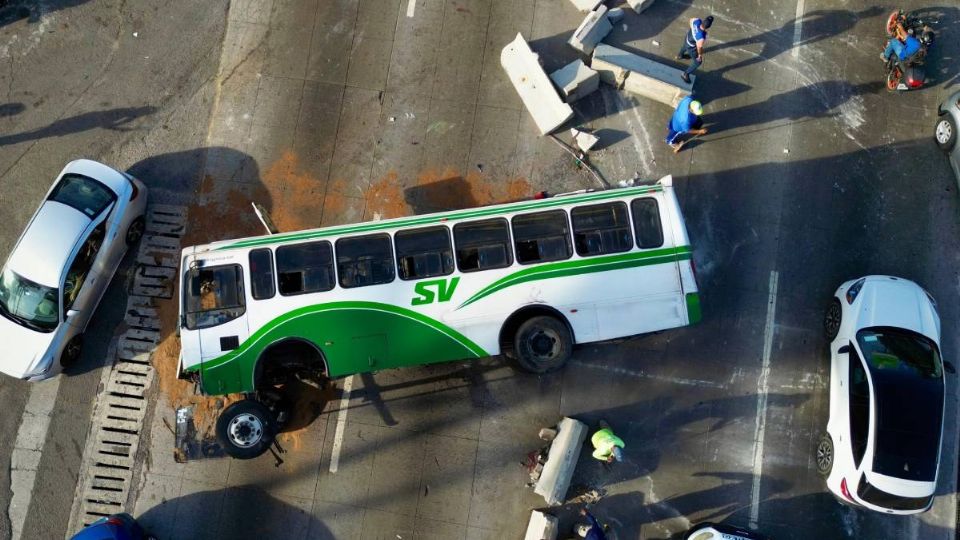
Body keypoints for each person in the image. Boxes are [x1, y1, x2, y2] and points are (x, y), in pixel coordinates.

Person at [676, 16, 713, 83]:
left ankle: (680, 56)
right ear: (709, 27)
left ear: (703, 20)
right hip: (691, 47)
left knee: (685, 45)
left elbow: (690, 20)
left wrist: (693, 30)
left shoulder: (697, 20)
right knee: (698, 62)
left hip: (687, 37)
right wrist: (699, 56)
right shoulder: (701, 37)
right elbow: (699, 47)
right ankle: (685, 74)